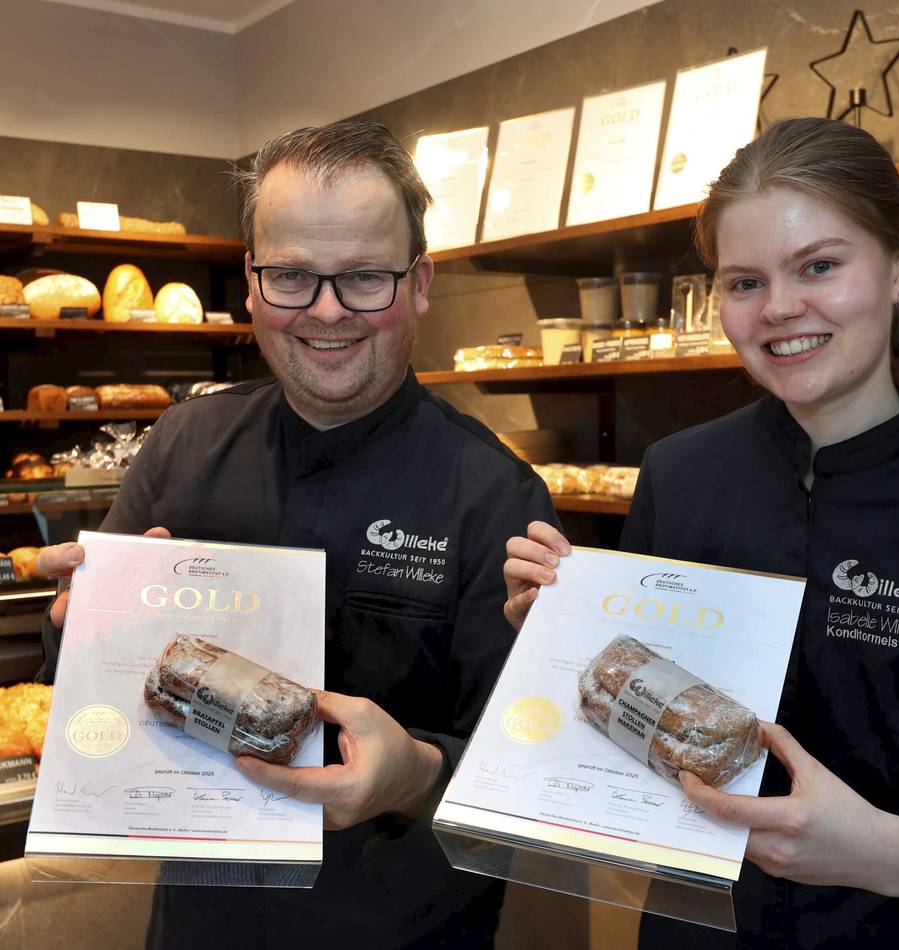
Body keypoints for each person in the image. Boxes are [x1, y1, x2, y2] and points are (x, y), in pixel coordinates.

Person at [37, 120, 557, 949]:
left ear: (419, 283)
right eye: (290, 277)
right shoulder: (182, 446)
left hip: (402, 928)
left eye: (363, 278)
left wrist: (416, 774)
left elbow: (533, 773)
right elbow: (79, 685)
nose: (325, 312)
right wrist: (77, 630)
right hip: (198, 927)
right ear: (250, 282)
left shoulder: (494, 494)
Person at [503, 117, 899, 947]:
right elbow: (646, 707)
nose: (781, 308)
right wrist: (569, 636)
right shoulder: (680, 473)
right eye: (744, 282)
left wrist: (882, 853)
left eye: (819, 265)